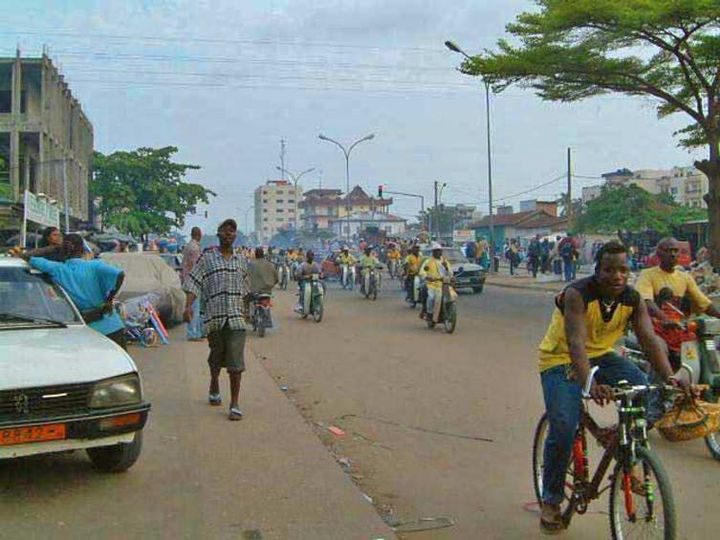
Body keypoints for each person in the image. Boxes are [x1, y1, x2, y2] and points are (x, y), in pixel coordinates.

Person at [537, 241, 682, 533]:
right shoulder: (578, 294)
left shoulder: (632, 298)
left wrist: (670, 378)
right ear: (597, 270)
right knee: (564, 427)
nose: (617, 276)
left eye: (623, 270)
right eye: (609, 270)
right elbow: (576, 342)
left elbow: (648, 338)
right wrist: (592, 382)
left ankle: (624, 449)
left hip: (602, 355)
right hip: (561, 358)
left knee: (644, 389)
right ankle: (551, 500)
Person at [183, 219, 250, 421]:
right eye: (225, 231)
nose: (229, 234)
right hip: (215, 318)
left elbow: (245, 288)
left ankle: (235, 403)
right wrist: (188, 307)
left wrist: (247, 310)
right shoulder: (207, 259)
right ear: (218, 234)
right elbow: (194, 281)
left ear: (235, 236)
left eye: (232, 231)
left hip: (237, 320)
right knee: (216, 356)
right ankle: (214, 382)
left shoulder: (241, 260)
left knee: (236, 364)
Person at [22, 233, 127, 348]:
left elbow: (26, 256)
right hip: (111, 326)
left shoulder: (57, 269)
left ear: (62, 250)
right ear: (82, 249)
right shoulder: (95, 266)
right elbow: (120, 274)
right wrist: (109, 299)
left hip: (84, 331)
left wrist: (54, 247)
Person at [635, 237, 720, 369]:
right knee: (659, 349)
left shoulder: (685, 277)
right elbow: (646, 301)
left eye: (676, 251)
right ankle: (665, 384)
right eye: (668, 250)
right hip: (654, 329)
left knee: (699, 353)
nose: (673, 254)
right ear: (658, 254)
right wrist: (664, 319)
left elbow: (704, 303)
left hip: (679, 330)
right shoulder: (647, 275)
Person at [181, 227, 204, 341]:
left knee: (194, 307)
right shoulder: (194, 248)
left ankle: (197, 332)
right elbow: (196, 265)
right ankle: (193, 333)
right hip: (193, 280)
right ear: (199, 235)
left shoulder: (188, 246)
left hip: (188, 279)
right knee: (194, 307)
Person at [419, 242, 451, 321]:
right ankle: (429, 313)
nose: (438, 252)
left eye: (439, 250)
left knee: (451, 297)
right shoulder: (428, 262)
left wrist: (446, 268)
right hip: (432, 284)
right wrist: (427, 277)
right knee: (431, 298)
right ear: (433, 252)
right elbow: (422, 272)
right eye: (436, 251)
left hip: (443, 284)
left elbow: (450, 273)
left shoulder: (445, 262)